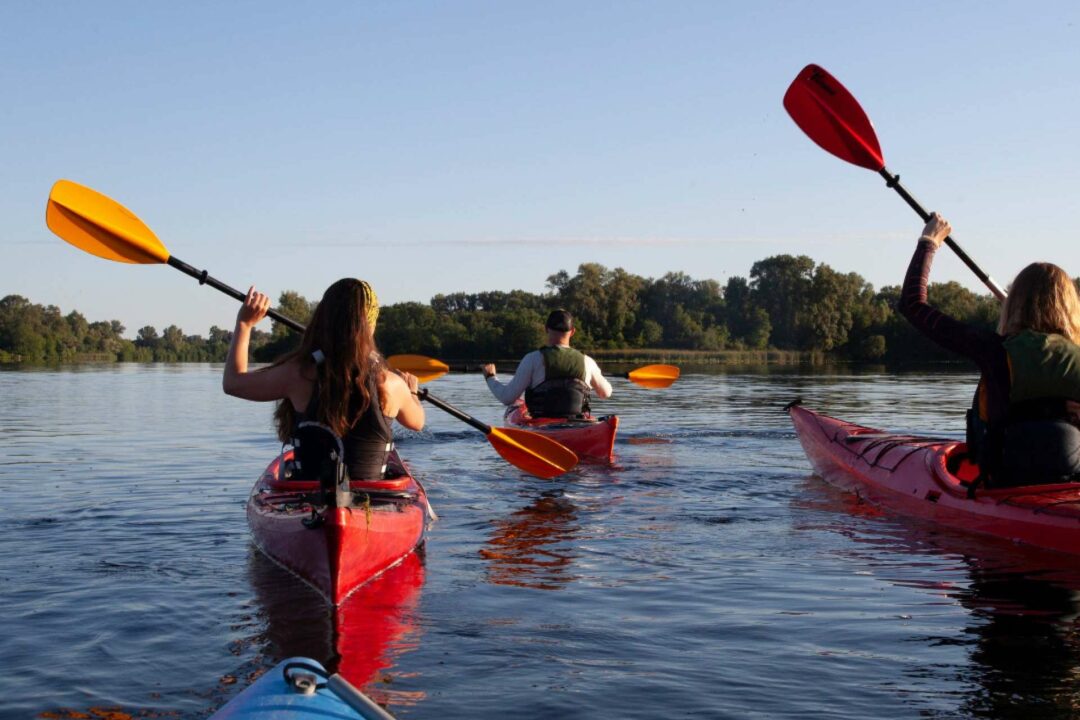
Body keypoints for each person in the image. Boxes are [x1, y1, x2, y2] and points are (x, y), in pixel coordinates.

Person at [898, 213, 1080, 487]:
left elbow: (912, 304)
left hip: (1005, 481)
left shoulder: (993, 350)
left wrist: (929, 241)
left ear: (1015, 304)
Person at [222, 278, 424, 479]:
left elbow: (233, 383)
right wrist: (411, 392)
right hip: (374, 500)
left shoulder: (298, 374)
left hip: (309, 499)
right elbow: (417, 422)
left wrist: (245, 324)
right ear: (371, 325)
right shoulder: (390, 383)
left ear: (323, 318)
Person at [482, 309, 612, 418]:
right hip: (577, 425)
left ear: (546, 329)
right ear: (572, 331)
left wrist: (490, 377)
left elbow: (507, 398)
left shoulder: (533, 359)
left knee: (515, 404)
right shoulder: (587, 361)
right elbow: (606, 393)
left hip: (541, 427)